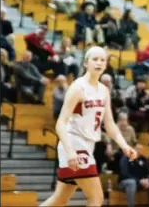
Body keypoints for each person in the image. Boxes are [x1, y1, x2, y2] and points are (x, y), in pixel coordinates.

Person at [40, 47, 137, 207]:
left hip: (87, 145)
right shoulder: (78, 88)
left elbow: (110, 124)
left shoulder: (104, 90)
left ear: (106, 65)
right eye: (95, 59)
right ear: (86, 63)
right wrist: (70, 151)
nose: (99, 62)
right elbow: (61, 123)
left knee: (60, 199)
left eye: (102, 60)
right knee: (96, 198)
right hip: (74, 144)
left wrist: (124, 146)